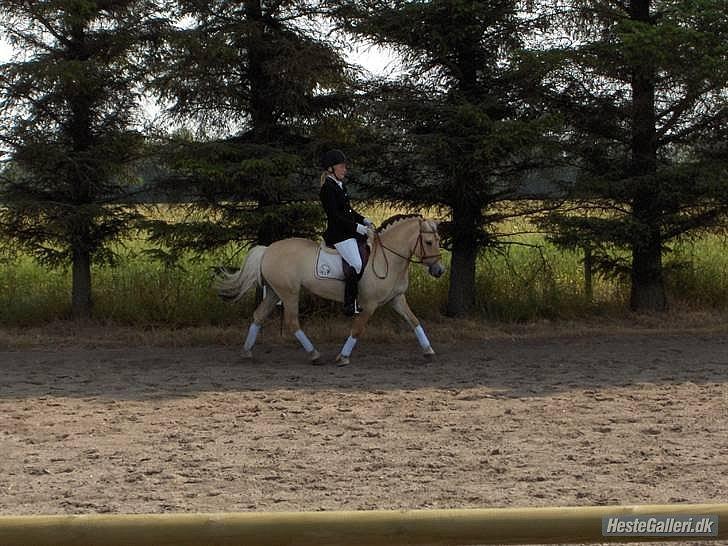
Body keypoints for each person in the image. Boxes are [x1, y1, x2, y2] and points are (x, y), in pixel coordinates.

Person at [318, 149, 373, 316]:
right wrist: (357, 227)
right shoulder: (327, 189)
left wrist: (363, 220)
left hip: (347, 231)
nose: (345, 169)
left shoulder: (340, 186)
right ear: (330, 169)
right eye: (341, 167)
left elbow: (348, 211)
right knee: (356, 264)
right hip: (338, 234)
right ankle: (349, 304)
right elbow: (335, 216)